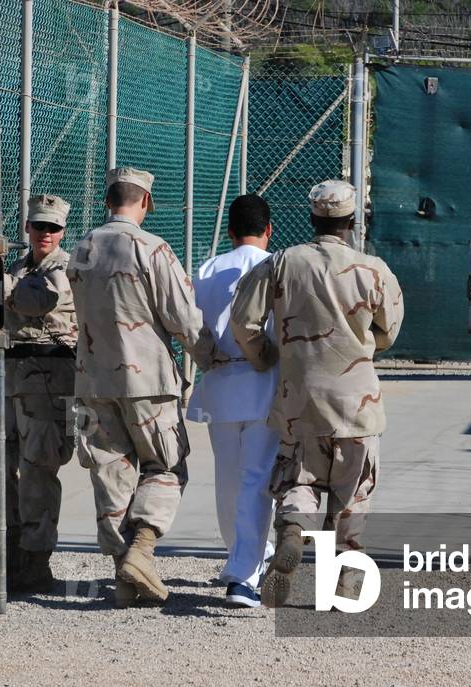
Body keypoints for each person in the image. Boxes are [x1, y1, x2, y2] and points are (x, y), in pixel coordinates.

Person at [230, 180, 405, 608]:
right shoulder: (374, 269)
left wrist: (267, 355)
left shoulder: (282, 262)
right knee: (352, 493)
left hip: (299, 401)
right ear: (351, 222)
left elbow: (243, 321)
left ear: (312, 218)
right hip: (358, 402)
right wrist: (363, 345)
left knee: (298, 479)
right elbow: (389, 332)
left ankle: (291, 529)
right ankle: (343, 582)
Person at [68, 167, 213, 607]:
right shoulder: (152, 248)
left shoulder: (82, 247)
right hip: (147, 379)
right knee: (166, 465)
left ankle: (124, 577)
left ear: (107, 200)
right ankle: (143, 548)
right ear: (145, 202)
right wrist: (212, 358)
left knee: (111, 472)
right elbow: (184, 319)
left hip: (94, 378)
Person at [186, 194, 279, 609]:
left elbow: (194, 324)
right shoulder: (277, 266)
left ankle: (239, 557)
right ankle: (245, 573)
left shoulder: (207, 268)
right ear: (269, 229)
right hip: (264, 380)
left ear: (230, 230)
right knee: (257, 479)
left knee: (228, 478)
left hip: (220, 380)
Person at [4, 194, 78, 593]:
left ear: (62, 231)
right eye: (38, 226)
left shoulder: (66, 269)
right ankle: (14, 554)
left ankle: (36, 560)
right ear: (28, 227)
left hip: (52, 383)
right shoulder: (18, 267)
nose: (44, 233)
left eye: (52, 227)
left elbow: (37, 301)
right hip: (14, 378)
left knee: (39, 469)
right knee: (1, 466)